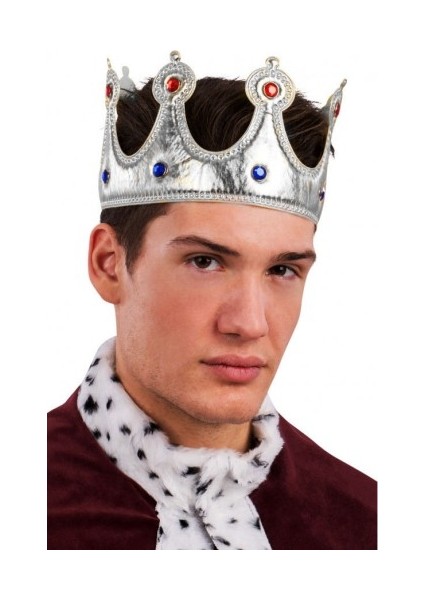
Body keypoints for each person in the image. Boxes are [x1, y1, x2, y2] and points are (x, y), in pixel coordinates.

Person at [47, 52, 377, 550]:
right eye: (205, 262)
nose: (249, 323)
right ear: (109, 264)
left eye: (282, 270)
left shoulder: (365, 523)